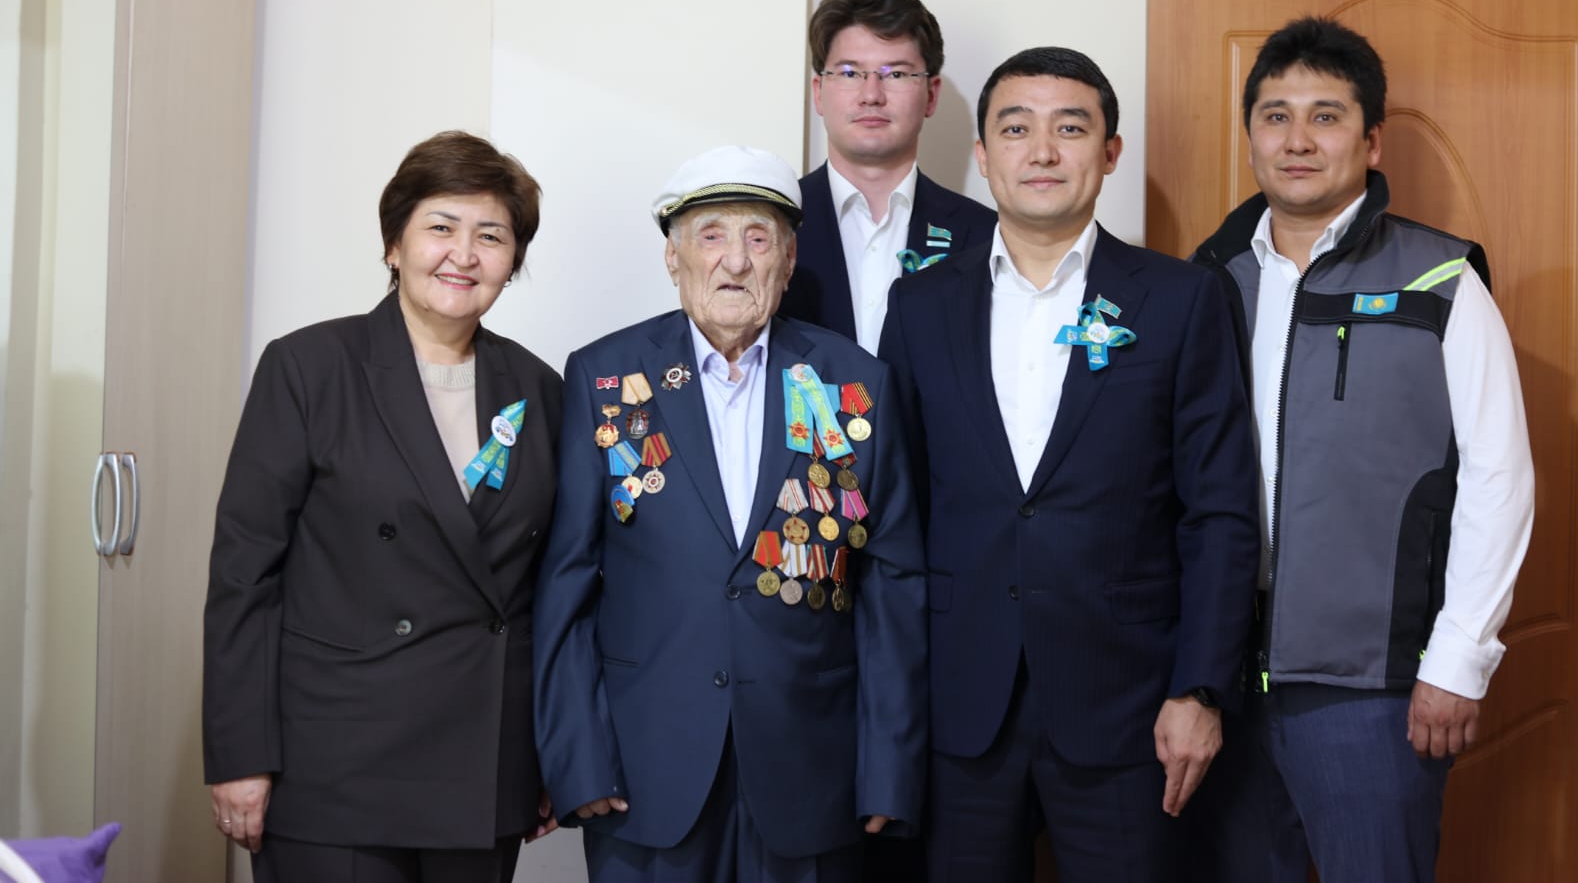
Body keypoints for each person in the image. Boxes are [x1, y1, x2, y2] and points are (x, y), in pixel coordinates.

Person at [877, 47, 1260, 882]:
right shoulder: (920, 305)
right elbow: (894, 511)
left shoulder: (1181, 299)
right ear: (983, 157)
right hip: (958, 706)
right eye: (1016, 129)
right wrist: (890, 707)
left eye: (1071, 128)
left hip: (1131, 707)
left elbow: (1221, 513)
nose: (1042, 151)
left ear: (1110, 152)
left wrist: (1200, 689)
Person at [1186, 17, 1535, 883]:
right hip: (1224, 683)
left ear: (1371, 141)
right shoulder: (1208, 280)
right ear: (1250, 135)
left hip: (1375, 690)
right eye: (1275, 116)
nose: (1297, 140)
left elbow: (1499, 477)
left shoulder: (1440, 280)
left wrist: (1460, 658)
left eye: (1326, 116)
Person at [532, 146, 926, 883]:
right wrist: (576, 761)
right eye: (711, 236)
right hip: (644, 776)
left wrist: (890, 770)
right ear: (673, 258)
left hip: (812, 774)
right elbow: (567, 585)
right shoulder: (605, 375)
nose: (735, 261)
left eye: (758, 237)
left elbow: (892, 589)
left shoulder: (855, 383)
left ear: (789, 259)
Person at [202, 130, 562, 882]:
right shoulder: (309, 368)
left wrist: (552, 754)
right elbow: (244, 575)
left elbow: (551, 590)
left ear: (513, 261)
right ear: (395, 244)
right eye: (441, 227)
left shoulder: (540, 388)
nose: (463, 255)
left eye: (491, 236)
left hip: (481, 762)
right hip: (335, 765)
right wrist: (240, 754)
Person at [781, 0, 996, 353]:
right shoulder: (772, 223)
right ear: (818, 92)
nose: (871, 95)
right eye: (850, 73)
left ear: (931, 95)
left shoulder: (986, 236)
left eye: (895, 74)